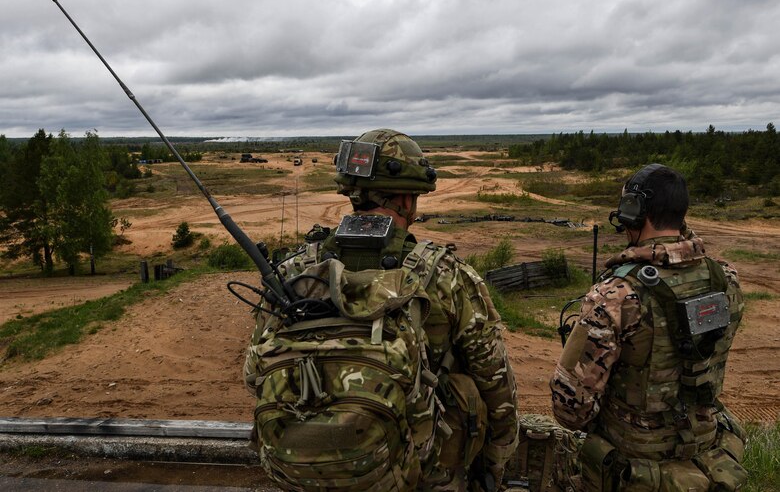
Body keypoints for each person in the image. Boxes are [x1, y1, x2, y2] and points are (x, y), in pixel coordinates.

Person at [244, 128, 519, 491]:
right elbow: (495, 384)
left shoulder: (294, 273)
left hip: (301, 473)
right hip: (420, 473)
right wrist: (495, 464)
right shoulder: (446, 275)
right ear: (406, 201)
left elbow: (253, 374)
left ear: (351, 194)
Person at [550, 164, 748, 491]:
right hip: (707, 460)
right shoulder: (725, 279)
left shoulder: (614, 296)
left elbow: (571, 412)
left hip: (632, 471)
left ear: (635, 210)